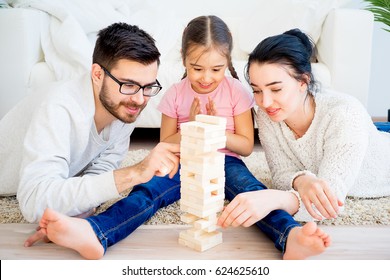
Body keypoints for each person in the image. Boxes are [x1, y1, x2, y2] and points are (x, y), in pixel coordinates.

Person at [31, 16, 331, 260]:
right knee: (145, 193)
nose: (205, 77)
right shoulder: (175, 93)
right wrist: (193, 124)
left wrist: (213, 129)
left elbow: (245, 146)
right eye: (196, 68)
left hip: (226, 162)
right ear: (184, 62)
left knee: (251, 193)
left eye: (215, 69)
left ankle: (289, 235)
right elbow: (166, 143)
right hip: (183, 160)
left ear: (227, 63)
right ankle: (97, 231)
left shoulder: (238, 91)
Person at [0, 22, 181, 253]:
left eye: (148, 87)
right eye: (128, 85)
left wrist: (78, 215)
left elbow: (102, 169)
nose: (139, 99)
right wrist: (134, 173)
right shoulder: (59, 108)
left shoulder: (123, 107)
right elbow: (33, 201)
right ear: (97, 74)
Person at [245, 28, 390, 222]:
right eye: (257, 90)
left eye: (276, 89)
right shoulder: (266, 114)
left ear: (303, 81)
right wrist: (302, 181)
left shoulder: (344, 113)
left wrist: (279, 200)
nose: (265, 102)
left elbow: (329, 202)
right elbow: (280, 173)